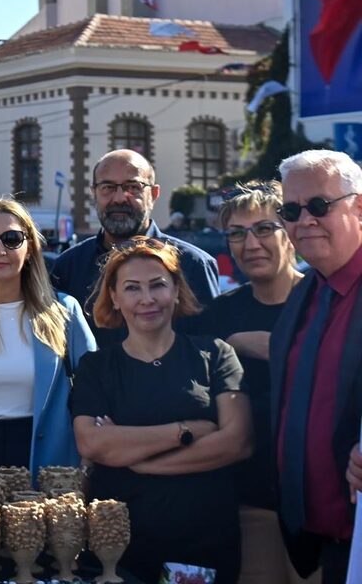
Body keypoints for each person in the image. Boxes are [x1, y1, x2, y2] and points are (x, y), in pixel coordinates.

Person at [71, 237, 252, 584]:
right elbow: (92, 444)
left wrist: (138, 459)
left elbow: (237, 441)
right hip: (118, 553)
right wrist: (186, 431)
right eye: (133, 288)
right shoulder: (96, 368)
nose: (147, 299)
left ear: (177, 290)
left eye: (158, 285)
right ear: (115, 298)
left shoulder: (215, 355)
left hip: (202, 548)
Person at [184, 182, 309, 584]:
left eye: (263, 228)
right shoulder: (218, 319)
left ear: (290, 232)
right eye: (237, 233)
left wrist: (277, 348)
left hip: (324, 503)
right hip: (250, 504)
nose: (250, 243)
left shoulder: (325, 301)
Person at [0, 199, 96, 474]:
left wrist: (88, 464)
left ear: (29, 250)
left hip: (51, 464)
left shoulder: (64, 311)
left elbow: (96, 394)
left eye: (12, 239)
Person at [274, 151, 362, 584]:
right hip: (326, 546)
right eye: (291, 210)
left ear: (359, 206)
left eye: (320, 206)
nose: (304, 220)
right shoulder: (305, 292)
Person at [51, 149, 220, 346]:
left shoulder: (194, 265)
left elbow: (210, 349)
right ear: (94, 193)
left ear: (154, 194)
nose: (120, 197)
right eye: (108, 187)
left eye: (133, 186)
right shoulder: (67, 267)